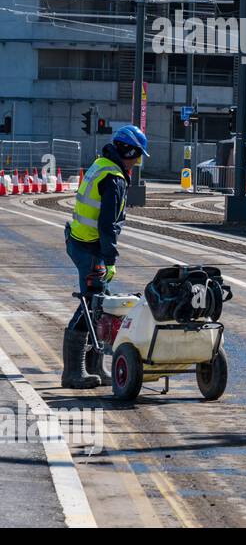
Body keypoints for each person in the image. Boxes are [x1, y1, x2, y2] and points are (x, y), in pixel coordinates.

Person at [62, 125, 148, 389]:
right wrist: (109, 260)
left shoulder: (101, 164)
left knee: (100, 304)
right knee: (91, 304)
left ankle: (93, 366)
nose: (138, 161)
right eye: (137, 155)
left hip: (80, 241)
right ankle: (73, 373)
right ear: (128, 151)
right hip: (90, 247)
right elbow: (107, 225)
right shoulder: (113, 179)